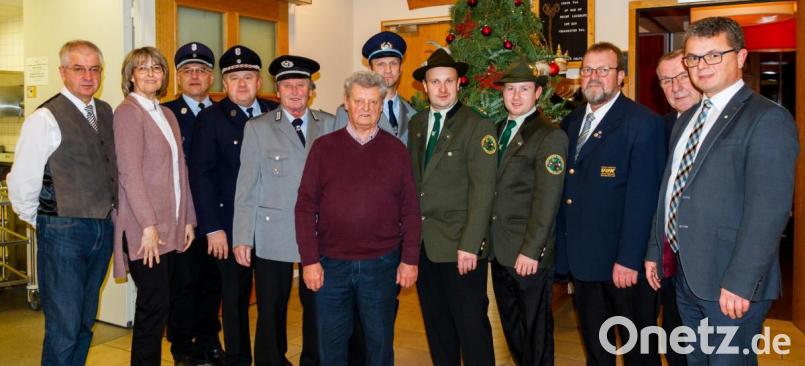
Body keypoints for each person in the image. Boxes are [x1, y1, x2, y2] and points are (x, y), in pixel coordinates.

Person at [645, 17, 798, 366]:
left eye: (714, 55)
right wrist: (657, 249)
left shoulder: (766, 119)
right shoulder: (685, 119)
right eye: (694, 58)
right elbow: (671, 190)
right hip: (686, 275)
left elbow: (770, 211)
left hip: (730, 283)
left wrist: (741, 282)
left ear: (741, 57)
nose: (702, 66)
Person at [295, 70, 421, 366]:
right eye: (359, 101)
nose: (366, 108)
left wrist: (410, 259)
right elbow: (304, 207)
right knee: (332, 346)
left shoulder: (396, 151)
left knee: (379, 346)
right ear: (347, 104)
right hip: (331, 266)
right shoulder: (323, 149)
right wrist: (310, 261)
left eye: (373, 102)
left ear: (380, 105)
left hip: (382, 266)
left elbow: (411, 210)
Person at [7, 40, 116, 366]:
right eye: (78, 68)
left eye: (94, 68)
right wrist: (46, 221)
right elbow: (22, 181)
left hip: (101, 229)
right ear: (63, 73)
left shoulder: (106, 111)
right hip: (63, 232)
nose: (88, 76)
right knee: (64, 327)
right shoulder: (45, 118)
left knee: (85, 322)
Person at [556, 42, 665, 366]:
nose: (593, 77)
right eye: (587, 70)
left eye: (604, 70)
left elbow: (643, 198)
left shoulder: (642, 122)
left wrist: (629, 259)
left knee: (637, 349)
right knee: (595, 344)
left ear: (621, 77)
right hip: (584, 261)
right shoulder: (572, 122)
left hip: (623, 265)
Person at [232, 54, 333, 366]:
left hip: (319, 233)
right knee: (271, 307)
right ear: (276, 91)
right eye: (287, 85)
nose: (294, 91)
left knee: (318, 305)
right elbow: (246, 187)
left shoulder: (328, 124)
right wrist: (242, 237)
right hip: (272, 231)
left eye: (300, 85)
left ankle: (313, 360)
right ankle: (270, 361)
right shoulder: (259, 128)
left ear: (310, 89)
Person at [189, 45, 278, 366]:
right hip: (228, 225)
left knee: (272, 300)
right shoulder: (210, 120)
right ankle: (238, 359)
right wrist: (212, 228)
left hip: (271, 226)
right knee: (235, 299)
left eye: (249, 77)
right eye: (234, 78)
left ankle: (272, 358)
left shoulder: (275, 113)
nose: (242, 84)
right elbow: (201, 177)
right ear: (223, 84)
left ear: (259, 82)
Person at [408, 48, 497, 366]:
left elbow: (483, 191)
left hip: (461, 247)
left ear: (460, 84)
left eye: (448, 81)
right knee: (437, 328)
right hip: (425, 246)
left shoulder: (477, 125)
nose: (442, 88)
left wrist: (471, 245)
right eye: (435, 81)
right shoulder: (417, 124)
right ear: (424, 86)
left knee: (471, 327)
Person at [113, 46, 196, 366]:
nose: (150, 73)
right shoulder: (128, 113)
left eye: (156, 68)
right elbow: (129, 173)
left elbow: (180, 171)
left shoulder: (166, 114)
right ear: (131, 75)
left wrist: (187, 219)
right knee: (153, 308)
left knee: (165, 303)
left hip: (171, 226)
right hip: (144, 229)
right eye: (142, 68)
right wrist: (147, 226)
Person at [489, 58, 567, 366]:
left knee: (536, 330)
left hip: (527, 253)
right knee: (512, 326)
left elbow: (547, 200)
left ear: (537, 93)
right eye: (510, 89)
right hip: (499, 249)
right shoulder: (495, 132)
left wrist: (532, 250)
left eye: (524, 89)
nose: (516, 95)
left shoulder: (549, 136)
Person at [162, 42, 224, 366]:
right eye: (188, 71)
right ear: (179, 77)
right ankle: (182, 347)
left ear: (211, 76)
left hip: (217, 216)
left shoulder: (224, 112)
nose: (195, 76)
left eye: (201, 70)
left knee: (213, 282)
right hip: (180, 216)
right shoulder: (165, 113)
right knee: (183, 284)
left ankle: (209, 341)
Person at [646, 48, 702, 366]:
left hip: (710, 266)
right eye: (666, 80)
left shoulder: (720, 125)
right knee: (675, 339)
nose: (675, 86)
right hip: (669, 258)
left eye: (681, 76)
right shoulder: (660, 127)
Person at [334, 31, 415, 144]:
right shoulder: (348, 111)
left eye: (393, 63)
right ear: (370, 69)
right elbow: (338, 151)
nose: (388, 70)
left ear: (400, 68)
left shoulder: (412, 113)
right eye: (381, 64)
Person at [656, 49, 702, 143]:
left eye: (684, 76)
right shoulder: (659, 128)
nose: (676, 88)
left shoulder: (722, 118)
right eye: (667, 81)